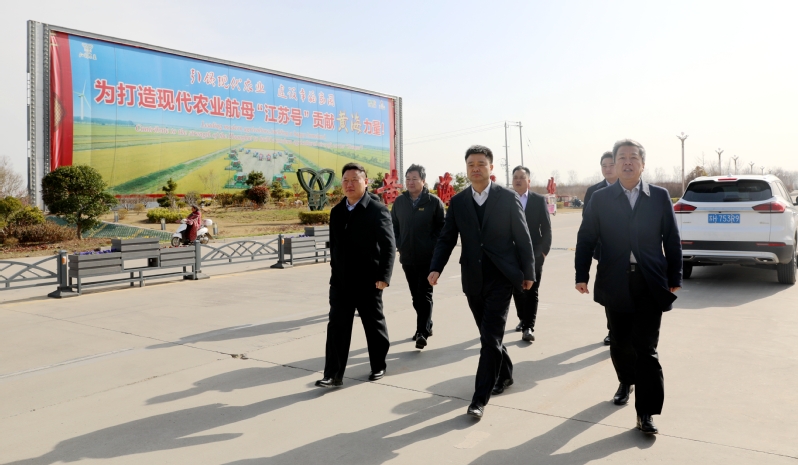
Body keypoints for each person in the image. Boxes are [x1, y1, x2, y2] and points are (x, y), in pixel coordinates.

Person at [574, 139, 682, 435]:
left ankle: (646, 412)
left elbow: (672, 238)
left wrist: (675, 277)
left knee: (646, 348)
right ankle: (626, 380)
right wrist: (581, 274)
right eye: (622, 157)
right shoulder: (601, 198)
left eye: (634, 157)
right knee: (620, 343)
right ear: (615, 163)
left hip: (650, 281)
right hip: (615, 281)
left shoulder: (659, 196)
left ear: (643, 164)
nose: (627, 162)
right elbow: (586, 238)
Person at [429, 145, 535, 419]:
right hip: (473, 279)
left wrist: (528, 273)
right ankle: (505, 373)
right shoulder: (459, 202)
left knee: (489, 339)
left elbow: (523, 237)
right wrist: (436, 268)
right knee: (490, 336)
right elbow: (446, 238)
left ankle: (479, 399)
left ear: (491, 168)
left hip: (501, 277)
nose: (475, 168)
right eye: (471, 164)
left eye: (481, 163)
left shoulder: (507, 197)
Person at [315, 163, 396, 388]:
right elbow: (335, 246)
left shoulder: (377, 210)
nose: (349, 184)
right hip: (341, 282)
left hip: (369, 281)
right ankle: (333, 374)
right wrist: (335, 273)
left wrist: (384, 276)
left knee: (373, 324)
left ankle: (378, 365)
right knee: (337, 327)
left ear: (365, 182)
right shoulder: (337, 212)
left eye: (354, 180)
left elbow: (388, 246)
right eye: (345, 180)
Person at [391, 164, 445, 350]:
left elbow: (442, 228)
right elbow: (393, 225)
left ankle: (422, 332)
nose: (410, 182)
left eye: (414, 178)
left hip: (428, 258)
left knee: (425, 294)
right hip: (407, 257)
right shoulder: (400, 202)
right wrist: (399, 243)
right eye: (408, 179)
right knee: (416, 296)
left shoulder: (433, 202)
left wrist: (432, 246)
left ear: (423, 180)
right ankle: (427, 324)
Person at [509, 166, 552, 342]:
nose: (518, 180)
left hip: (534, 255)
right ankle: (523, 318)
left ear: (529, 181)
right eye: (515, 177)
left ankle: (529, 327)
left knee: (532, 290)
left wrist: (543, 253)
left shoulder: (538, 200)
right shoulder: (506, 199)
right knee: (517, 289)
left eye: (522, 177)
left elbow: (547, 229)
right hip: (512, 254)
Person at [583, 151, 618, 346]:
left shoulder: (628, 187)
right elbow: (587, 224)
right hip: (605, 253)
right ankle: (612, 330)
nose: (608, 169)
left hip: (630, 252)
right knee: (610, 294)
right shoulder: (593, 191)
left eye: (611, 165)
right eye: (604, 166)